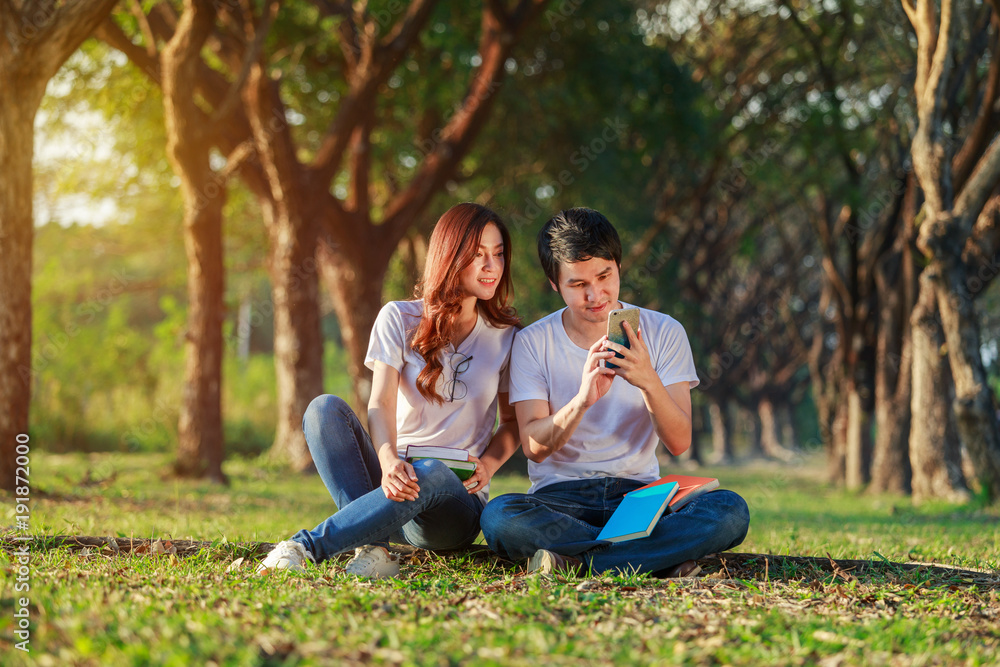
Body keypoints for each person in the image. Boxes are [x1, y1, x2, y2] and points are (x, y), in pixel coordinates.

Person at [480, 207, 749, 577]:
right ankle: (651, 558)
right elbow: (534, 448)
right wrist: (582, 400)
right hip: (560, 500)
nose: (596, 294)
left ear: (618, 266)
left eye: (605, 276)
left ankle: (581, 562)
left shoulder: (664, 331)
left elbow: (679, 442)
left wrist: (647, 380)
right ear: (554, 284)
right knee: (499, 517)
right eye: (577, 285)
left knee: (729, 510)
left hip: (641, 497)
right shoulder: (532, 342)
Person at [258, 203, 521, 578]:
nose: (492, 266)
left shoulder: (507, 336)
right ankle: (375, 549)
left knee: (429, 472)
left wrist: (489, 465)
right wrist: (387, 461)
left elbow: (512, 422)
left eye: (498, 254)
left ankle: (305, 546)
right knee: (323, 409)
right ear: (449, 255)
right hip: (393, 485)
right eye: (477, 255)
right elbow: (380, 402)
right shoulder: (399, 317)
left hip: (454, 505)